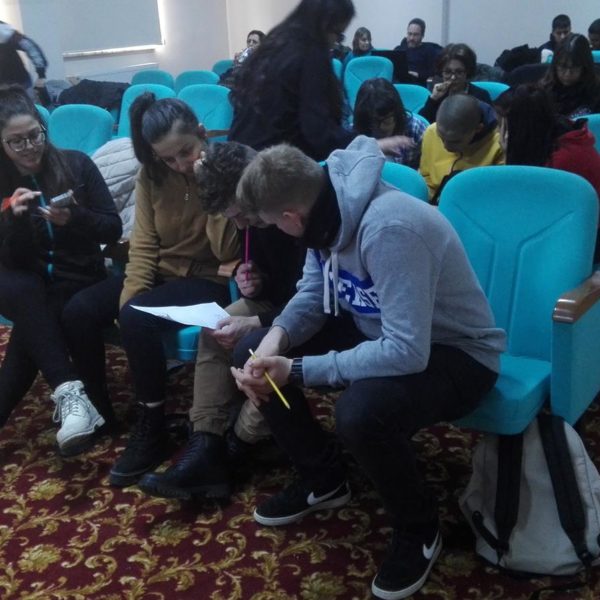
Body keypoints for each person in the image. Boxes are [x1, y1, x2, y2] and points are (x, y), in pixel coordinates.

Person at [230, 137, 505, 600]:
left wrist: (297, 369)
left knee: (360, 412)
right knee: (250, 349)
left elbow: (407, 352)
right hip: (383, 332)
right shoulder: (323, 212)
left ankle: (419, 527)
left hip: (459, 354)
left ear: (291, 217)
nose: (277, 231)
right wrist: (274, 340)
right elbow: (313, 294)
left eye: (274, 224)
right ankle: (323, 479)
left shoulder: (391, 228)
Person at [138, 141, 305, 501]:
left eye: (242, 214)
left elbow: (315, 300)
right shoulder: (250, 215)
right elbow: (270, 273)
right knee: (218, 327)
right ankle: (206, 439)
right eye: (232, 218)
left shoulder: (293, 213)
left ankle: (235, 447)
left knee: (255, 353)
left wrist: (258, 320)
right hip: (276, 302)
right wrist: (254, 278)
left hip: (306, 313)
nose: (241, 224)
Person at [106, 94, 240, 487]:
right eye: (169, 159)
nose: (180, 164)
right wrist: (130, 299)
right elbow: (144, 246)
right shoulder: (151, 176)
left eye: (186, 152)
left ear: (202, 133)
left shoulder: (225, 167)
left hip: (211, 280)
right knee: (81, 310)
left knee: (136, 318)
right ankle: (101, 415)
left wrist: (208, 179)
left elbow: (226, 251)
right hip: (169, 274)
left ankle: (153, 423)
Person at [0, 84, 122, 455]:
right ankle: (77, 398)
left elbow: (111, 228)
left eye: (34, 135)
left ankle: (78, 400)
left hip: (76, 278)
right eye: (16, 141)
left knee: (33, 325)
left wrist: (75, 218)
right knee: (26, 293)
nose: (29, 147)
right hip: (28, 280)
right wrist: (15, 221)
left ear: (44, 128)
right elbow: (12, 259)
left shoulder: (76, 165)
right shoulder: (4, 184)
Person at [228, 0, 357, 161]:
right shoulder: (311, 54)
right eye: (338, 35)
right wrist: (362, 144)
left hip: (237, 159)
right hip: (270, 166)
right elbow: (318, 132)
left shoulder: (273, 45)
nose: (335, 43)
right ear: (324, 25)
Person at [494, 83, 600, 262]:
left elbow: (529, 214)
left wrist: (508, 155)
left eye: (501, 125)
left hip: (584, 244)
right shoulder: (547, 139)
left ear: (520, 126)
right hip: (562, 234)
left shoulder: (563, 160)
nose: (498, 132)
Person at [419, 94, 505, 203]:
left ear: (478, 129)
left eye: (455, 141)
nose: (446, 147)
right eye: (441, 138)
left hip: (473, 204)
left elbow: (495, 193)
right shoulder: (431, 131)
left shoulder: (499, 144)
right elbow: (425, 177)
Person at [353, 78, 426, 169]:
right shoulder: (353, 133)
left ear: (397, 113)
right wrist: (375, 146)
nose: (381, 127)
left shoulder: (415, 128)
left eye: (386, 120)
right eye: (374, 121)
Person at [419, 43, 492, 124]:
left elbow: (490, 126)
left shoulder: (481, 96)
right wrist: (433, 99)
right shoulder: (438, 95)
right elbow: (422, 123)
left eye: (459, 72)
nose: (453, 77)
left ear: (467, 71)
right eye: (448, 72)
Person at [542, 33, 600, 119]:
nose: (567, 74)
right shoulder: (544, 90)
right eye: (562, 67)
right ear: (555, 66)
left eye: (574, 68)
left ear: (585, 67)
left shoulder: (596, 91)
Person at [0, 21, 47, 93]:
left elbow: (30, 47)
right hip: (18, 82)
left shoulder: (2, 29)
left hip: (19, 82)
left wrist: (41, 73)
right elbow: (30, 47)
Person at [394, 18, 441, 82]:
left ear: (422, 35)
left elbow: (435, 72)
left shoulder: (429, 50)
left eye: (415, 35)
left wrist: (418, 74)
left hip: (417, 82)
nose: (411, 38)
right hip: (398, 81)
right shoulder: (398, 49)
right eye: (409, 34)